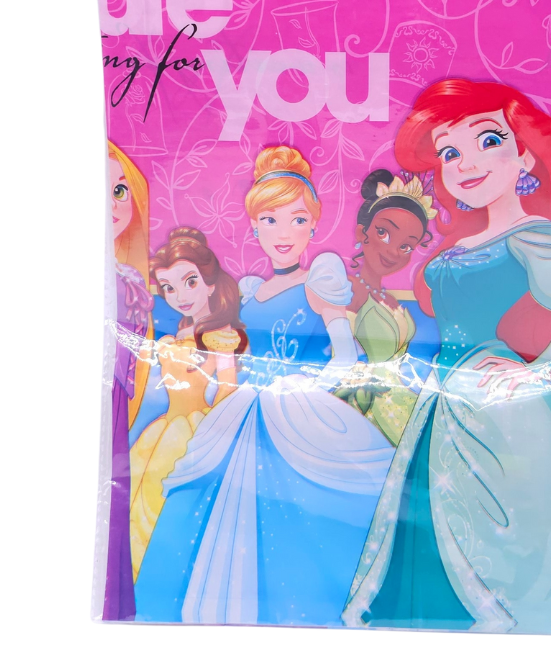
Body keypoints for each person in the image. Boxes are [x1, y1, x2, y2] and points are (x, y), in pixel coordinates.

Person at [343, 80, 551, 634]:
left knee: (504, 537)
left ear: (524, 153)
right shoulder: (457, 247)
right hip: (445, 403)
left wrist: (547, 368)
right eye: (451, 153)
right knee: (434, 516)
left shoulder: (536, 237)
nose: (467, 163)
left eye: (489, 141)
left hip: (502, 411)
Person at [133, 146, 394, 625]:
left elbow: (346, 359)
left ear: (313, 224)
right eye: (270, 221)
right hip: (242, 410)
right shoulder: (251, 291)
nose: (283, 233)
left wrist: (303, 386)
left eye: (297, 219)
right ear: (254, 227)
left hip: (300, 412)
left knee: (302, 515)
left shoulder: (320, 279)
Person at [128, 228, 245, 579]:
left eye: (190, 282)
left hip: (197, 429)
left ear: (210, 284)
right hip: (163, 429)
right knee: (144, 491)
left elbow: (228, 389)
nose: (179, 295)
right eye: (168, 287)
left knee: (171, 496)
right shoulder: (175, 335)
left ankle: (173, 569)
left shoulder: (222, 336)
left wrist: (215, 433)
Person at [335, 170, 437, 444]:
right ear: (362, 232)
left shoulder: (386, 296)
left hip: (397, 398)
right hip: (368, 407)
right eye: (384, 233)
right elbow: (340, 354)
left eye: (406, 247)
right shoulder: (350, 289)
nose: (393, 252)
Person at [105, 140, 154, 621]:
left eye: (120, 190)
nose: (114, 204)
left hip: (117, 399)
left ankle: (116, 597)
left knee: (115, 490)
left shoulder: (129, 279)